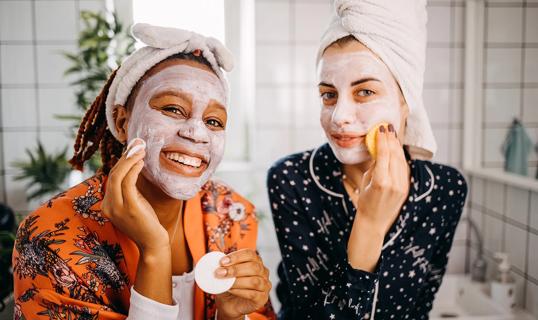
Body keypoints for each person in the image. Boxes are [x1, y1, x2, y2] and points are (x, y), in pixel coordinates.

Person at [13, 23, 274, 320]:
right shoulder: (50, 236)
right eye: (174, 109)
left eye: (214, 121)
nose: (196, 133)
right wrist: (155, 251)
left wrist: (232, 317)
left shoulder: (231, 212)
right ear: (123, 123)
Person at [267, 1, 467, 319]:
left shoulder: (444, 189)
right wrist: (370, 224)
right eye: (328, 95)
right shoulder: (293, 178)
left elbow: (419, 310)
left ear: (406, 102)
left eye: (365, 92)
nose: (339, 117)